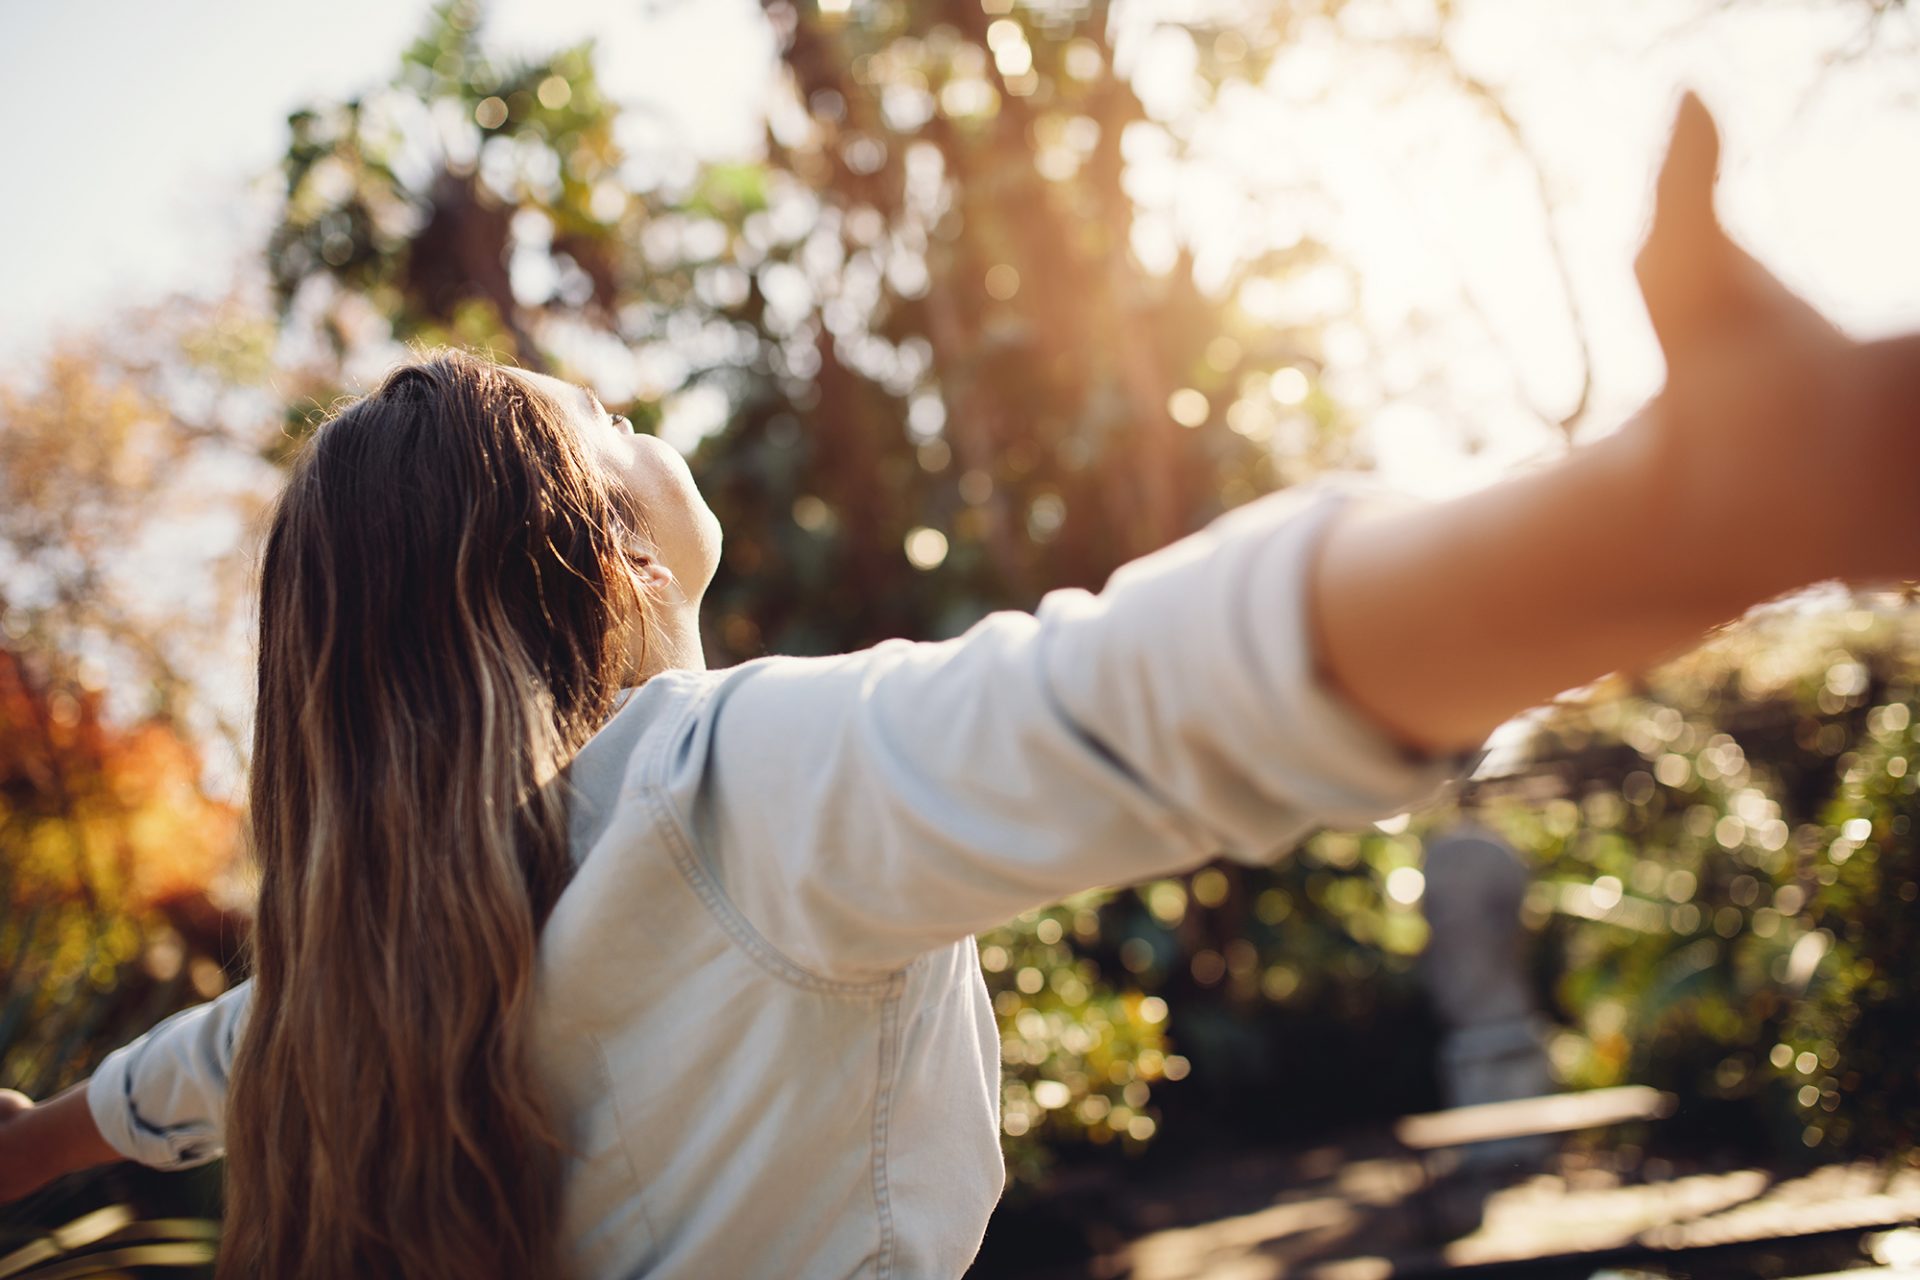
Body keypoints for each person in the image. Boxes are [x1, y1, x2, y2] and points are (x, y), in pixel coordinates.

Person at [0, 94, 1914, 1279]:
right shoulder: (736, 790)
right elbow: (1130, 701)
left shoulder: (380, 967)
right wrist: (1682, 512)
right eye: (611, 416)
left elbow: (191, 1076)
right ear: (596, 539)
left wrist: (36, 1142)